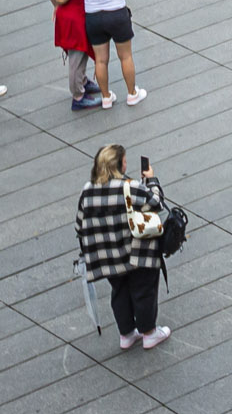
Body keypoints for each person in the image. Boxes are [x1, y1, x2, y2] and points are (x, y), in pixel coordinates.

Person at [73, 143, 172, 350]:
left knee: (119, 291)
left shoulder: (87, 191)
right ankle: (149, 333)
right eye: (125, 161)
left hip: (107, 256)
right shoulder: (129, 187)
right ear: (118, 166)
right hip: (136, 252)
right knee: (143, 290)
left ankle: (126, 334)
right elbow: (156, 202)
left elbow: (79, 224)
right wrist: (151, 180)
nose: (127, 164)